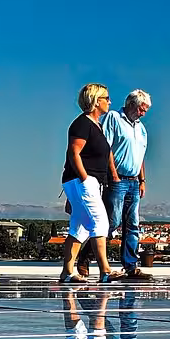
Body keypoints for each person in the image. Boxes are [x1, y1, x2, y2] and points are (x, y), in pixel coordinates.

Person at [60, 84, 113, 284]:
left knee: (80, 227)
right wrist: (84, 177)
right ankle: (105, 270)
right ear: (96, 101)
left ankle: (67, 272)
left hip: (90, 181)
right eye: (106, 98)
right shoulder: (82, 123)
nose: (109, 101)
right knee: (100, 223)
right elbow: (74, 152)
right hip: (83, 179)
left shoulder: (96, 125)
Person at [104, 88, 152, 280]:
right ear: (132, 104)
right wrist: (113, 175)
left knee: (132, 224)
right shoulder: (114, 118)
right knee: (112, 222)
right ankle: (87, 257)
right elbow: (106, 147)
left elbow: (140, 156)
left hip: (133, 181)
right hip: (117, 179)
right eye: (142, 109)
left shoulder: (141, 128)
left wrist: (142, 180)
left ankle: (130, 266)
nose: (144, 113)